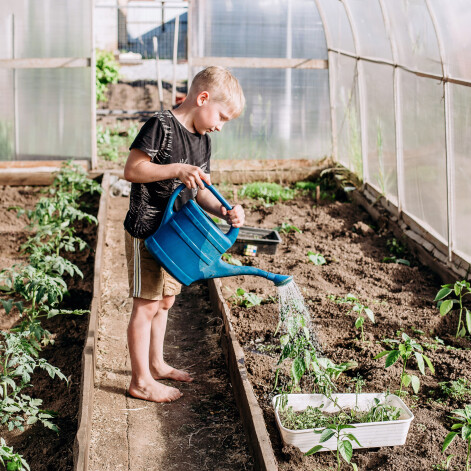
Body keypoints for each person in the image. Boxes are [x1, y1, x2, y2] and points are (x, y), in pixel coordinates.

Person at [123, 66, 246, 403]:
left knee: (165, 301)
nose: (220, 126)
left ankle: (156, 363)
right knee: (145, 305)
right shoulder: (161, 126)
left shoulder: (202, 142)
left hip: (176, 234)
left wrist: (224, 211)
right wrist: (176, 168)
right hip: (148, 231)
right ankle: (140, 381)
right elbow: (132, 170)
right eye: (221, 116)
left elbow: (200, 190)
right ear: (202, 98)